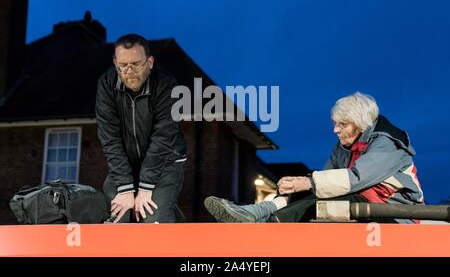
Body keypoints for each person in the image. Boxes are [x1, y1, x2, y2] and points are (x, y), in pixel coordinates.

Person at [204, 92, 424, 224]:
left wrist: (309, 182)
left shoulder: (387, 143)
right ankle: (254, 212)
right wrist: (297, 184)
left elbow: (356, 179)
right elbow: (324, 180)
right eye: (334, 124)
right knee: (310, 191)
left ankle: (268, 226)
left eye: (342, 124)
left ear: (360, 124)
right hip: (363, 200)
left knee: (323, 199)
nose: (335, 131)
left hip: (395, 212)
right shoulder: (343, 146)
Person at [96, 34, 187, 223]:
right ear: (115, 63)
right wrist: (125, 188)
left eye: (136, 64)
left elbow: (164, 137)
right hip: (127, 162)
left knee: (153, 219)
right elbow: (109, 138)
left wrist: (145, 188)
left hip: (166, 160)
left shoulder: (166, 84)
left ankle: (167, 212)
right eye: (122, 65)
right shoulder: (106, 85)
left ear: (150, 62)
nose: (129, 71)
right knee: (115, 218)